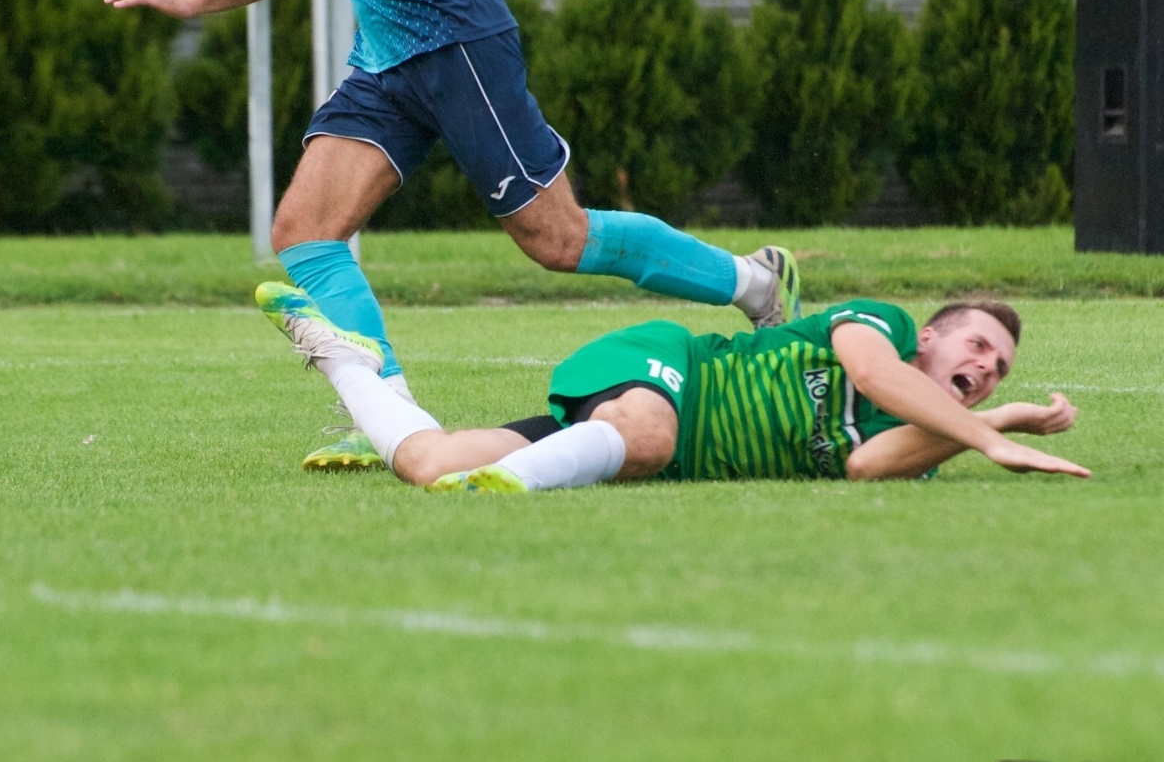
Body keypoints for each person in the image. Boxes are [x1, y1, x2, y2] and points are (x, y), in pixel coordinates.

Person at [106, 0, 799, 470]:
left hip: (454, 45)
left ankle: (755, 280)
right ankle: (392, 419)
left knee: (558, 240)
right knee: (307, 232)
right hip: (389, 55)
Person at [255, 281, 1091, 489]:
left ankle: (342, 360)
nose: (982, 369)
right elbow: (870, 374)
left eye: (996, 374)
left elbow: (865, 468)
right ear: (936, 332)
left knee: (426, 463)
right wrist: (992, 437)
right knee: (650, 437)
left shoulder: (926, 441)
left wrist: (997, 423)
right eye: (979, 346)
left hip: (625, 444)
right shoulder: (885, 327)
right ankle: (505, 488)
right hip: (667, 371)